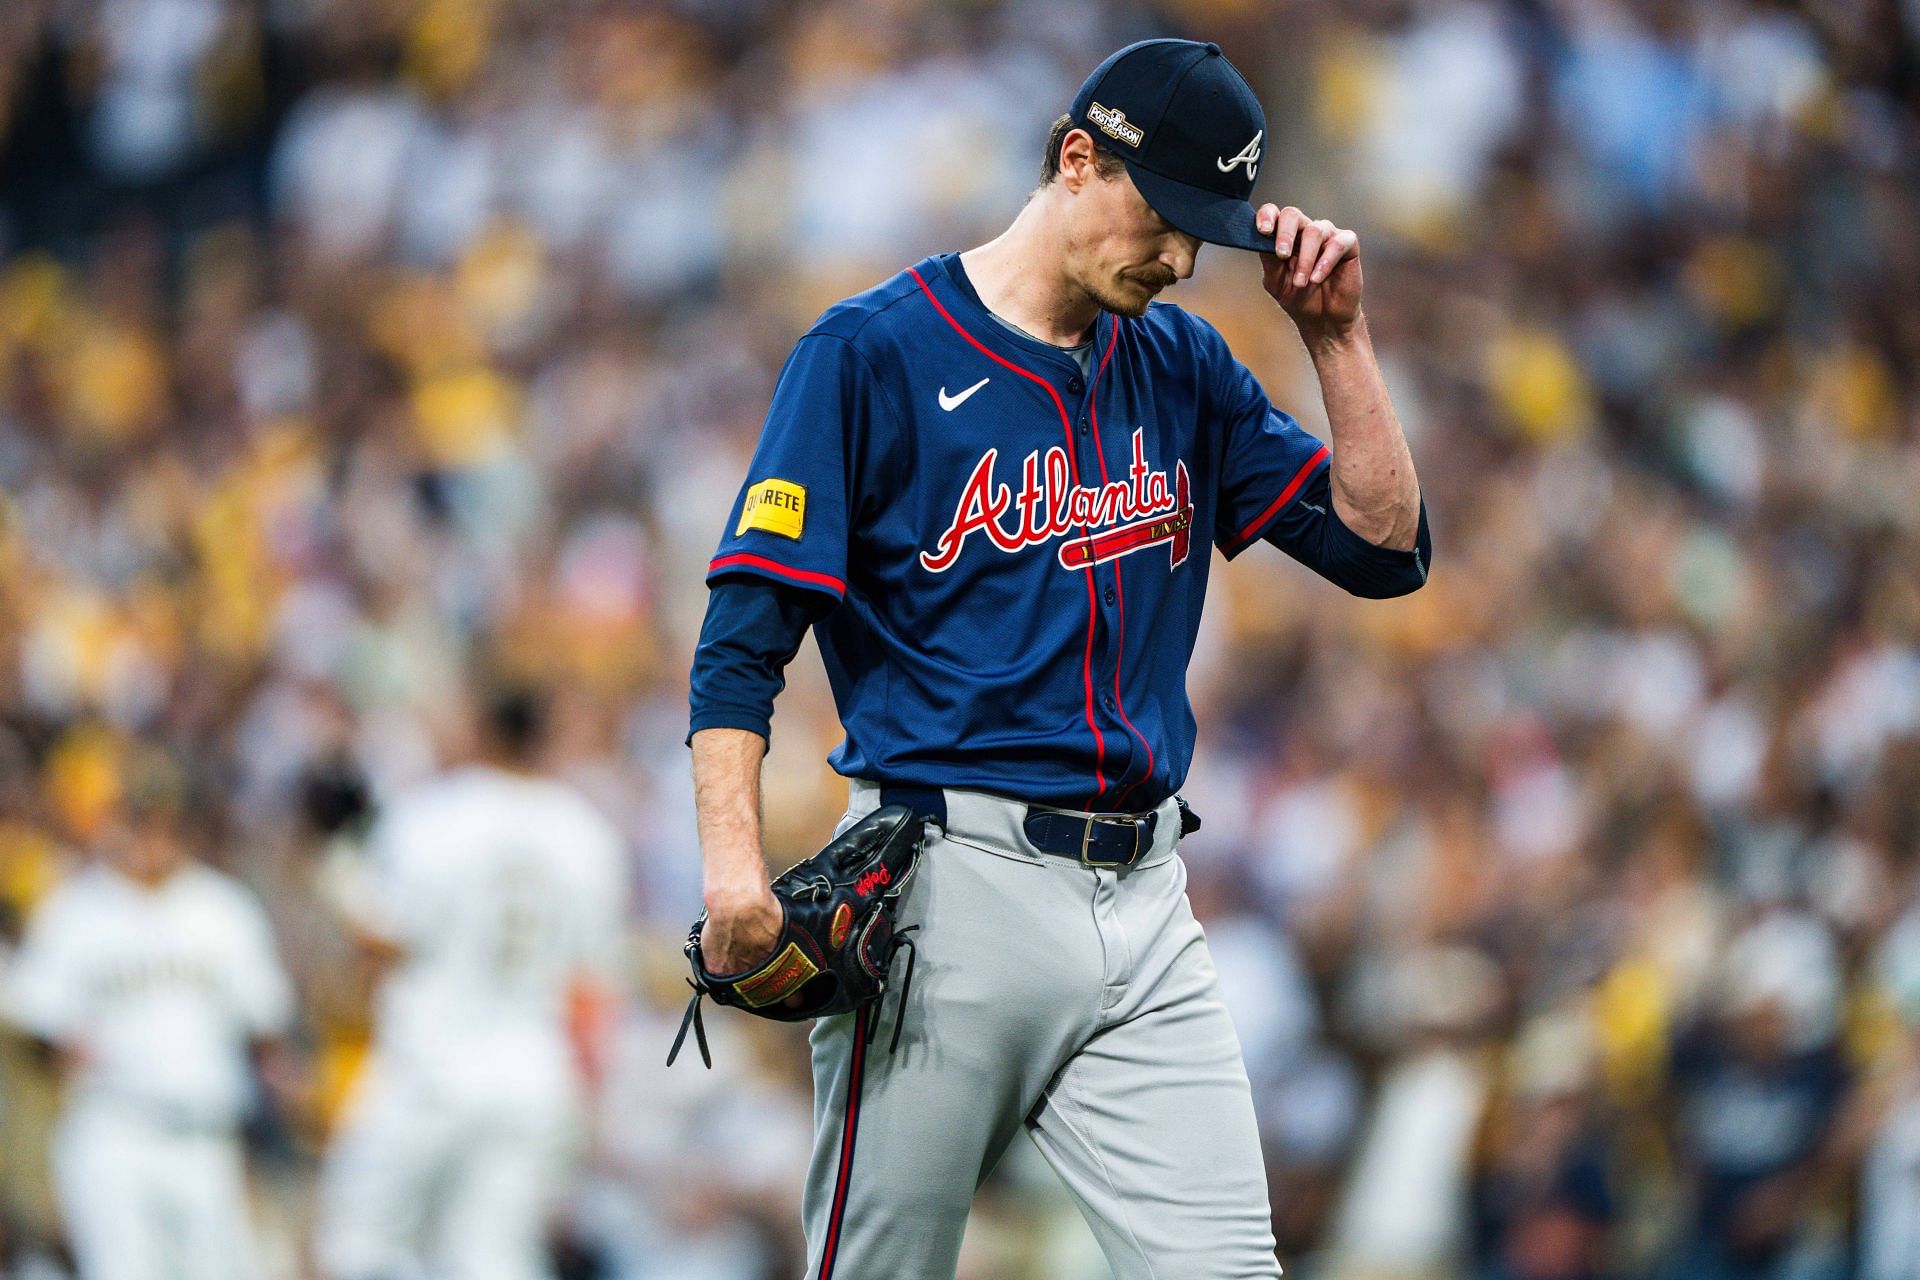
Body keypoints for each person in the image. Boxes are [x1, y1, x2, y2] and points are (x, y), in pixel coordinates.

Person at [687, 38, 1430, 1279]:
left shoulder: (1182, 360)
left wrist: (1339, 340)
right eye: (1167, 215)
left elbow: (1382, 548)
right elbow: (742, 639)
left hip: (1148, 908)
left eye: (1207, 230)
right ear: (1078, 158)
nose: (1184, 257)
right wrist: (732, 872)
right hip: (945, 898)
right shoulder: (871, 352)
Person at [315, 684, 628, 1280]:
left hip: (430, 1064)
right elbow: (595, 987)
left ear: (482, 729)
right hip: (534, 1073)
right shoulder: (588, 836)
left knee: (360, 1245)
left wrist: (334, 869)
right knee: (493, 1258)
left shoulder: (432, 815)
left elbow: (383, 941)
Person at [3, 747, 296, 1280]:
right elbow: (34, 1033)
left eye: (163, 820)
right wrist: (37, 1162)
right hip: (113, 1134)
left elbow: (267, 1037)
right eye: (137, 818)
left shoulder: (221, 909)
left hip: (206, 1139)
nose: (148, 835)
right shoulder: (76, 909)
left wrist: (264, 1153)